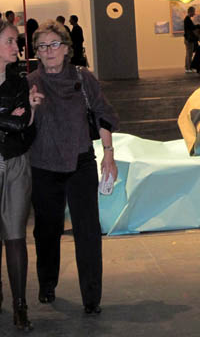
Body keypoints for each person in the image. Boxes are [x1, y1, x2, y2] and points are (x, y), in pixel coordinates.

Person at [27, 20, 119, 315]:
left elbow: (103, 114)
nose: (49, 51)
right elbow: (21, 128)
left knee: (88, 231)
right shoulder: (30, 82)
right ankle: (47, 283)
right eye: (42, 46)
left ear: (66, 48)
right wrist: (30, 108)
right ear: (36, 52)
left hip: (81, 163)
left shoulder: (84, 78)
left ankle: (92, 298)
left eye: (54, 44)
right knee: (46, 231)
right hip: (43, 166)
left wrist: (108, 155)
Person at [0, 20, 33, 330]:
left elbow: (22, 124)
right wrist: (6, 117)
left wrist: (11, 119)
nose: (16, 47)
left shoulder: (19, 82)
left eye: (16, 41)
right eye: (10, 41)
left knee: (15, 236)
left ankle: (20, 305)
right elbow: (12, 120)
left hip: (15, 163)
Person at [183, 6, 200, 73]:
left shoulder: (187, 19)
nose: (194, 13)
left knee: (189, 53)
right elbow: (192, 27)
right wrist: (198, 26)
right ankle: (188, 68)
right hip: (189, 39)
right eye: (193, 12)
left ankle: (188, 67)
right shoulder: (187, 19)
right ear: (190, 12)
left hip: (188, 39)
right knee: (189, 54)